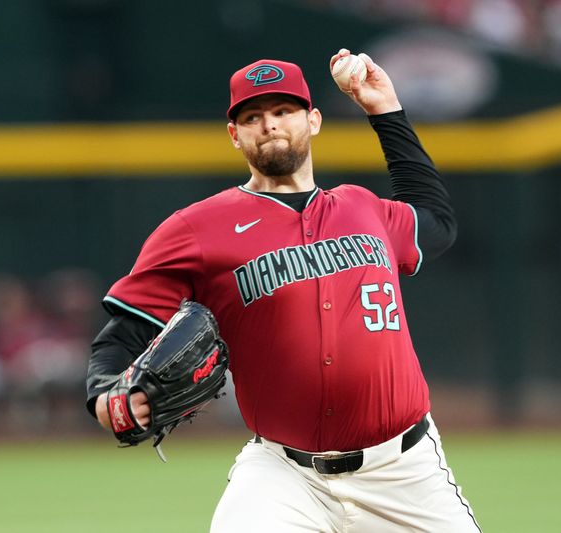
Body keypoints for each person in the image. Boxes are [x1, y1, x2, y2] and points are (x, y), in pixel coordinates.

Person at [86, 49, 481, 532]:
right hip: (284, 474)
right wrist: (105, 393)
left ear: (312, 121)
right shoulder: (195, 229)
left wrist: (385, 110)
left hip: (404, 470)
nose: (269, 124)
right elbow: (122, 333)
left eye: (282, 111)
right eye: (252, 117)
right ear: (235, 135)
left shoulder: (364, 208)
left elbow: (436, 222)